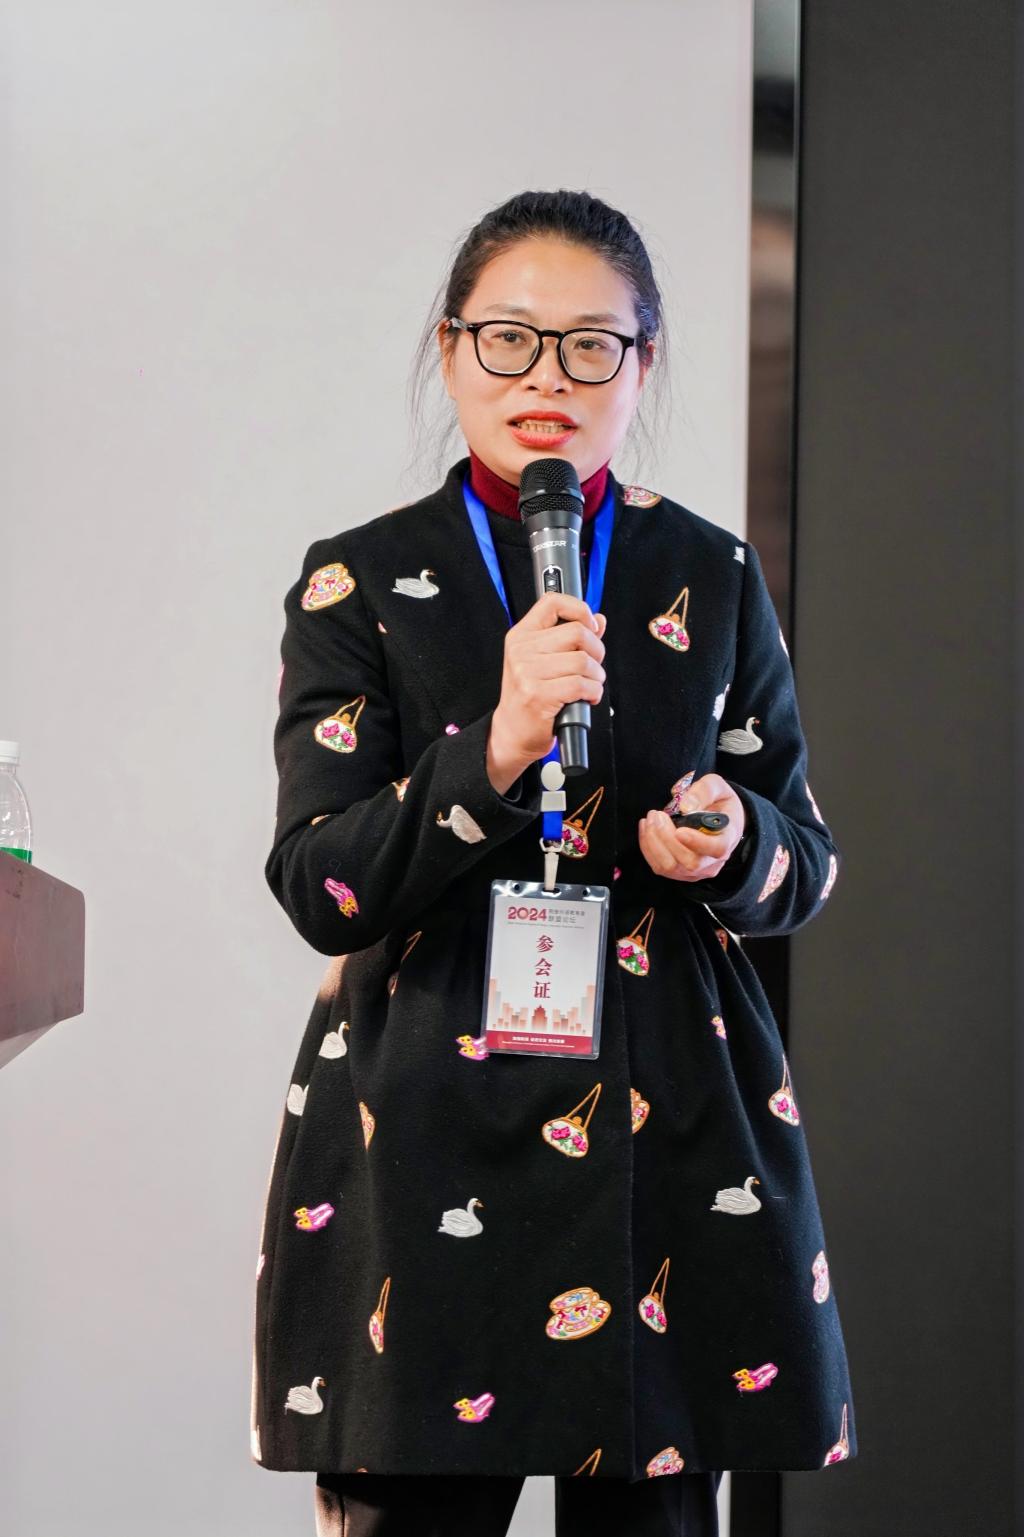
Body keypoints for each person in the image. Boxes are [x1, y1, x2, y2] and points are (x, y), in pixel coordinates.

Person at [250, 189, 857, 1537]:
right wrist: (497, 747)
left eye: (593, 345)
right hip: (423, 1132)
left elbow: (803, 860)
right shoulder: (359, 581)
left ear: (643, 365)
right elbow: (320, 882)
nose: (548, 378)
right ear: (451, 348)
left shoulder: (710, 569)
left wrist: (729, 842)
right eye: (510, 338)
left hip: (664, 1125)